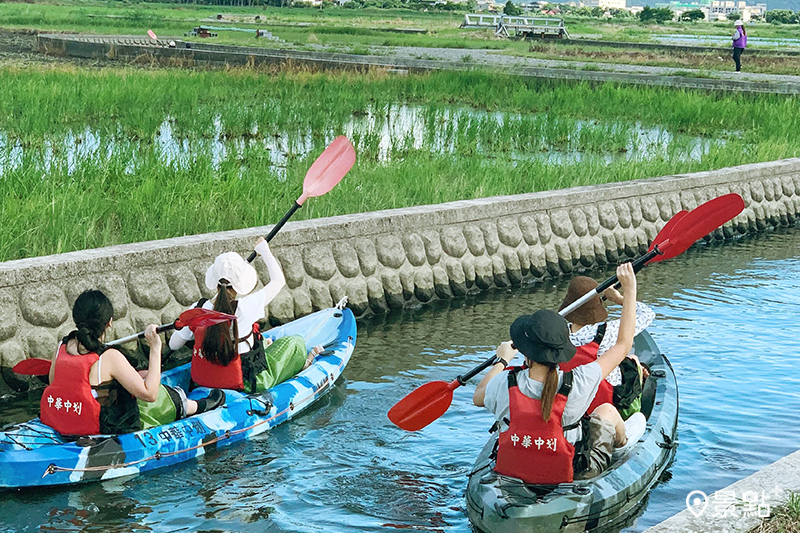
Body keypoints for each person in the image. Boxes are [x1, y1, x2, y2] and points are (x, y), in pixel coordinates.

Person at [473, 263, 647, 484]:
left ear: (526, 353)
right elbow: (624, 344)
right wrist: (629, 291)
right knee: (606, 411)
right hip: (572, 471)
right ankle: (623, 444)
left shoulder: (506, 382)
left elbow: (478, 396)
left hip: (516, 466)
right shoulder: (580, 380)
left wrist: (502, 360)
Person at [40, 290, 225, 436]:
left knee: (141, 375)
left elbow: (54, 380)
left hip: (67, 416)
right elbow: (149, 394)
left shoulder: (61, 346)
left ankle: (186, 402)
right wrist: (154, 347)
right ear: (109, 322)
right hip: (103, 425)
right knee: (158, 393)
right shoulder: (110, 357)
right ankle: (192, 406)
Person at [169, 237, 322, 393]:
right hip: (245, 383)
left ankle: (264, 345)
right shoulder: (246, 306)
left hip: (203, 380)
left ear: (214, 280)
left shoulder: (198, 308)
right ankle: (298, 366)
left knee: (259, 342)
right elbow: (278, 281)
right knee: (295, 343)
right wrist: (265, 251)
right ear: (240, 283)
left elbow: (173, 345)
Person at [558, 275, 655, 418]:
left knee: (629, 358)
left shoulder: (558, 332)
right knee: (633, 360)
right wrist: (618, 298)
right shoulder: (607, 331)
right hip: (604, 404)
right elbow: (647, 313)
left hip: (567, 399)